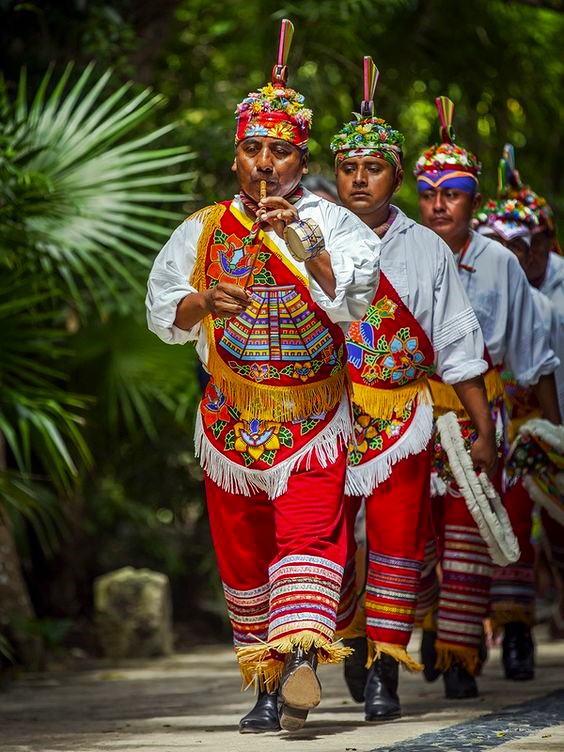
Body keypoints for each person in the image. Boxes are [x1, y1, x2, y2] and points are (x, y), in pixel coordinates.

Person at [146, 20, 381, 734]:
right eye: (252, 149)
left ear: (299, 160)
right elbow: (161, 311)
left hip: (312, 419)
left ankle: (302, 659)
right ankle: (267, 686)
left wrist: (300, 242)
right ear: (236, 156)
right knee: (245, 559)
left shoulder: (332, 225)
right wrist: (199, 301)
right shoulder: (203, 229)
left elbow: (357, 298)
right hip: (229, 422)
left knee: (307, 539)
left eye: (279, 151)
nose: (264, 163)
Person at [329, 59, 495, 722]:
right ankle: (347, 640)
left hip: (404, 414)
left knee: (399, 540)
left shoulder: (425, 248)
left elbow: (458, 343)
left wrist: (482, 431)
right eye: (348, 167)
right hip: (327, 417)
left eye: (373, 167)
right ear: (336, 174)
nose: (359, 178)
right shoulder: (307, 238)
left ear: (397, 175)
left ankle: (385, 672)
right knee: (333, 541)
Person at [414, 98, 560, 698]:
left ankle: (458, 655)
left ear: (473, 200)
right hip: (413, 408)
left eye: (452, 193)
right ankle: (406, 632)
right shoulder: (398, 253)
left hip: (484, 409)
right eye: (428, 193)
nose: (439, 204)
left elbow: (534, 355)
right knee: (412, 532)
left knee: (474, 529)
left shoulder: (500, 262)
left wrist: (553, 432)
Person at [474, 156, 563, 657]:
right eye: (498, 248)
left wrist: (553, 431)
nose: (509, 258)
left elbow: (542, 367)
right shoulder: (458, 284)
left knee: (516, 521)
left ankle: (518, 631)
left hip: (521, 428)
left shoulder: (544, 304)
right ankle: (463, 630)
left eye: (520, 248)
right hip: (470, 420)